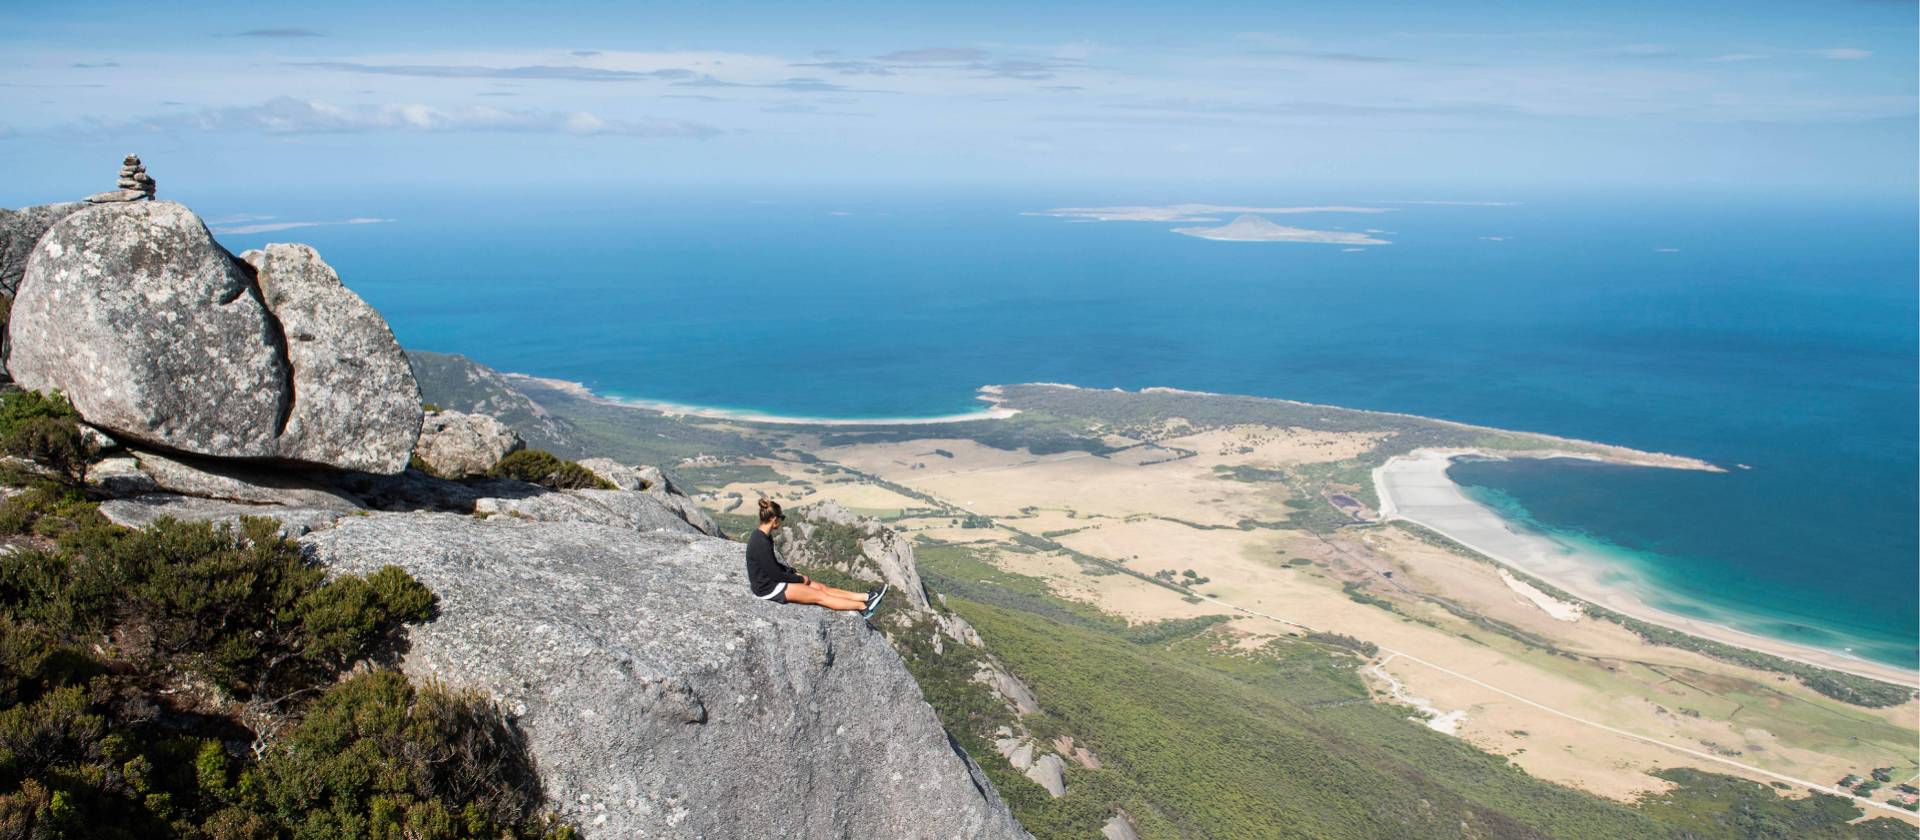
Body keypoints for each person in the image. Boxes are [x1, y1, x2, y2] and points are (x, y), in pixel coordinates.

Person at [746, 499, 886, 617]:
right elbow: (774, 574)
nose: (781, 522)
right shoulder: (761, 541)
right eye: (781, 518)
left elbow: (772, 565)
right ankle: (863, 607)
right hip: (768, 588)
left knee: (822, 588)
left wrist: (791, 572)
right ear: (774, 519)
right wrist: (800, 579)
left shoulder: (763, 536)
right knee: (820, 597)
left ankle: (867, 597)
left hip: (772, 582)